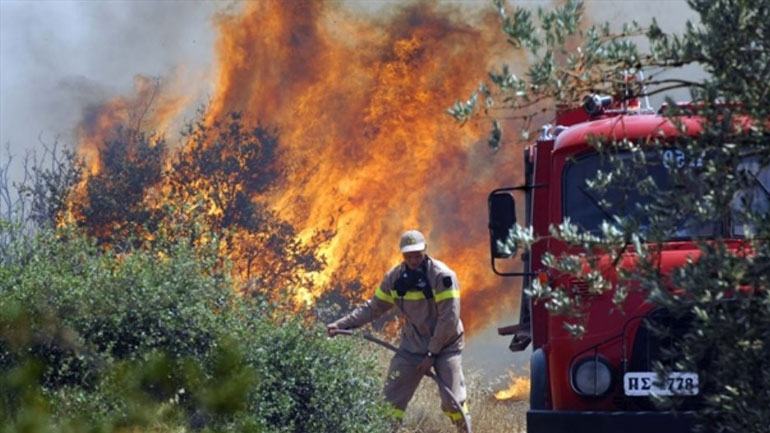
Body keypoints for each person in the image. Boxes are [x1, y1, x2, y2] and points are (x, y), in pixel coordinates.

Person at [326, 229, 468, 430]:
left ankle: (465, 428)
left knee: (452, 402)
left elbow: (449, 319)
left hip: (446, 345)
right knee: (390, 404)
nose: (413, 260)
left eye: (417, 255)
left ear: (425, 250)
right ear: (402, 255)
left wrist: (432, 353)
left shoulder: (442, 276)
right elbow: (373, 308)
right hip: (412, 347)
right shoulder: (394, 278)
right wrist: (341, 324)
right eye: (409, 256)